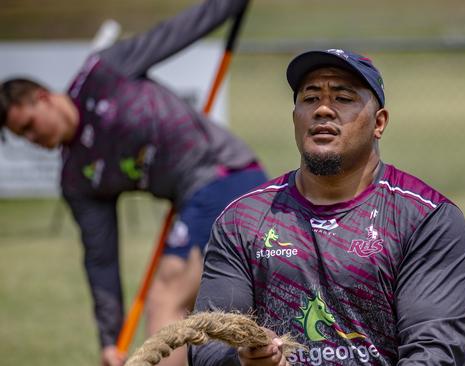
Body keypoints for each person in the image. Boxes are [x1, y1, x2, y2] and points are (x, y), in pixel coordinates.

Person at [0, 1, 267, 365]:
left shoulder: (104, 72)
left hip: (224, 174)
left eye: (30, 126)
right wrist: (110, 341)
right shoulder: (76, 178)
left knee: (165, 299)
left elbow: (178, 31)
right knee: (215, 308)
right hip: (193, 197)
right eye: (23, 136)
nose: (33, 139)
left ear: (43, 98)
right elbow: (101, 259)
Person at [190, 49, 465, 366]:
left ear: (379, 123)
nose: (323, 109)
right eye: (310, 98)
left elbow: (434, 354)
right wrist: (244, 362)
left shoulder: (427, 220)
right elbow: (210, 343)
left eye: (343, 98)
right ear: (295, 118)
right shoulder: (242, 220)